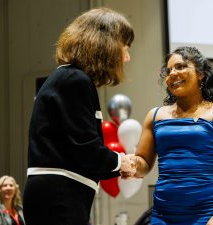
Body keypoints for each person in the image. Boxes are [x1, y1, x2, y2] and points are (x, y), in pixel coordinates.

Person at [23, 7, 135, 225]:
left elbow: (76, 152)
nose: (127, 57)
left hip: (58, 193)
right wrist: (122, 161)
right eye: (125, 48)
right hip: (59, 195)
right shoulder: (74, 80)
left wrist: (116, 168)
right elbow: (84, 147)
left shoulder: (69, 78)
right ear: (107, 46)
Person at [127, 46, 213, 225]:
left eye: (180, 67)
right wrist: (130, 164)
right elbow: (144, 163)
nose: (172, 73)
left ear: (201, 74)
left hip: (206, 213)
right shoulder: (155, 115)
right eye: (168, 70)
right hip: (162, 214)